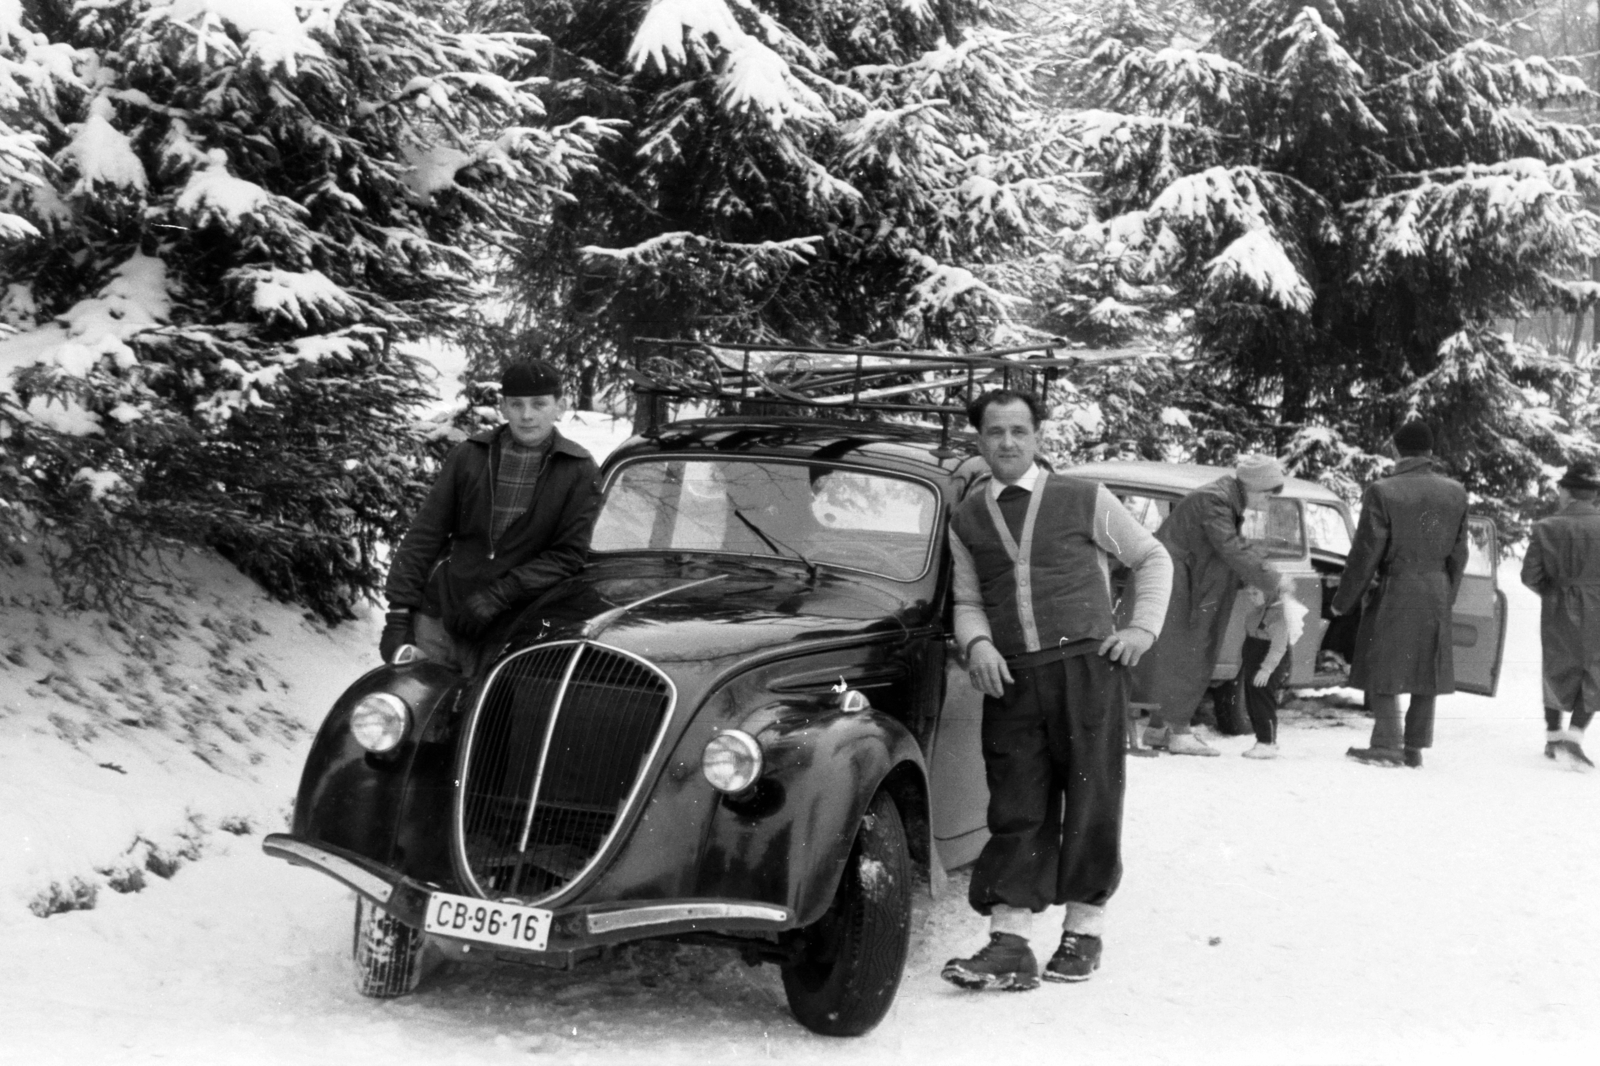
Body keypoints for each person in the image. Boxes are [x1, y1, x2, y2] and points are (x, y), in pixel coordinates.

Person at [940, 390, 1172, 991]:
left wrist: (1141, 629)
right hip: (1012, 679)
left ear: (1039, 437)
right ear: (980, 440)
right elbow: (968, 601)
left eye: (1020, 430)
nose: (1008, 442)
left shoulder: (1083, 498)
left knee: (1091, 798)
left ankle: (1083, 932)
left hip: (1086, 671)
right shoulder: (966, 518)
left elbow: (1152, 557)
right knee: (1016, 805)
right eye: (995, 432)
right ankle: (1010, 943)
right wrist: (979, 645)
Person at [379, 359, 602, 675]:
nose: (527, 415)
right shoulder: (470, 455)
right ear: (503, 407)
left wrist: (499, 595)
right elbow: (425, 534)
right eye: (517, 404)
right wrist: (398, 617)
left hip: (510, 631)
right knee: (419, 710)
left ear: (559, 406)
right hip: (439, 617)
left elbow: (566, 556)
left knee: (484, 718)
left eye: (539, 404)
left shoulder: (578, 469)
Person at [1331, 419, 1467, 769]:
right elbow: (1459, 552)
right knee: (1427, 666)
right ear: (1430, 451)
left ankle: (1387, 744)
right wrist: (1446, 593)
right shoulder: (1455, 492)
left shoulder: (1384, 490)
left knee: (1384, 662)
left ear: (1396, 449)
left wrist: (1343, 600)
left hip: (1397, 584)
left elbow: (1366, 552)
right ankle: (1414, 747)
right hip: (1436, 586)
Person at [1134, 456, 1290, 756]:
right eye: (1268, 494)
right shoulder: (1216, 501)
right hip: (1183, 584)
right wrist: (1272, 578)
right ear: (1253, 487)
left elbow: (1223, 548)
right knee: (1188, 655)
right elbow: (1229, 546)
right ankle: (1177, 732)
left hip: (1185, 581)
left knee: (1173, 654)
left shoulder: (1222, 498)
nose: (1268, 501)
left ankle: (1159, 729)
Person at [1519, 459, 1600, 772]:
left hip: (1558, 603)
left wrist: (1553, 594)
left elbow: (1529, 575)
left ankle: (1553, 737)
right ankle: (1575, 736)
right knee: (1594, 670)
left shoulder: (1546, 527)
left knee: (1556, 665)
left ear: (1567, 493)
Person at [1238, 585, 1307, 759]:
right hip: (1255, 662)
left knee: (1262, 703)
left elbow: (1278, 647)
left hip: (1268, 664)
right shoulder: (1259, 612)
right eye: (1249, 594)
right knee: (1253, 703)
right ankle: (1262, 740)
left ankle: (1267, 742)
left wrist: (1266, 669)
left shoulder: (1278, 616)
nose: (1251, 597)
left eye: (1255, 593)